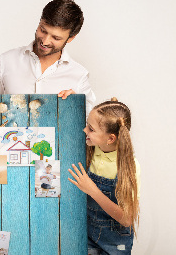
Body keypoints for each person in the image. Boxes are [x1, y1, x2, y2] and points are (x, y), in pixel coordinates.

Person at [0, 0, 96, 114]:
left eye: (56, 38)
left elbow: (91, 126)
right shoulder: (7, 61)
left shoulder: (79, 75)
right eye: (43, 30)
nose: (45, 41)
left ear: (71, 38)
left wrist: (76, 107)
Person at [68, 97, 140, 254]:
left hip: (115, 243)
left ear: (110, 138)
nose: (85, 130)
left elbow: (127, 219)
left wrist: (92, 190)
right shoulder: (93, 148)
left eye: (91, 129)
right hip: (88, 236)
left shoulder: (128, 167)